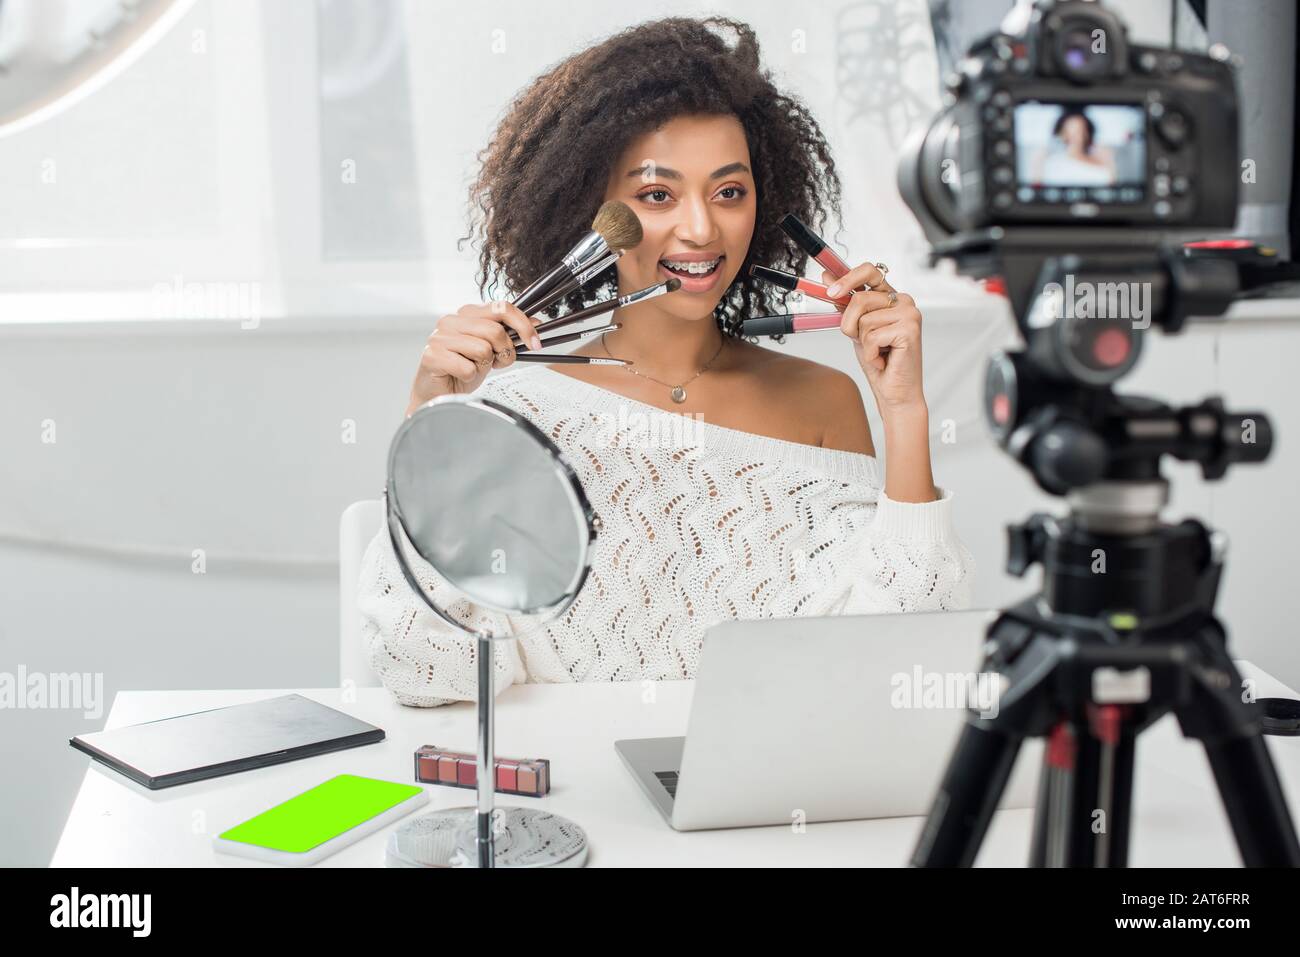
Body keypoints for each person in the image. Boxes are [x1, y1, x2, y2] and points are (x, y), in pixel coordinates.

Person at [358, 16, 975, 707]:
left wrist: (904, 410)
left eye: (729, 192)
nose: (702, 228)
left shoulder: (825, 402)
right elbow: (425, 667)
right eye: (657, 195)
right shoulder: (512, 416)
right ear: (590, 209)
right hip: (569, 801)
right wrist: (427, 418)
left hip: (766, 800)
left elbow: (895, 666)